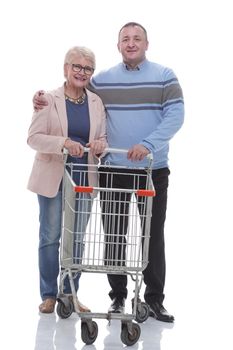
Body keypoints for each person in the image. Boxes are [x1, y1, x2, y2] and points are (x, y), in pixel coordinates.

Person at [33, 22, 184, 323]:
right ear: (118, 46)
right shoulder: (101, 81)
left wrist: (147, 144)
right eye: (125, 39)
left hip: (152, 168)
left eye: (136, 38)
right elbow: (71, 91)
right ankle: (117, 298)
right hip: (113, 168)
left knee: (152, 235)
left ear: (146, 43)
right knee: (114, 235)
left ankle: (154, 299)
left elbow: (176, 115)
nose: (131, 43)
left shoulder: (165, 76)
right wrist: (40, 100)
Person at [28, 46, 107, 314]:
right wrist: (63, 143)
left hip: (84, 178)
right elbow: (33, 138)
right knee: (50, 236)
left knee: (77, 239)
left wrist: (99, 145)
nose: (82, 72)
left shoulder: (96, 102)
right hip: (53, 175)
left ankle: (70, 294)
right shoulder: (48, 99)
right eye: (77, 66)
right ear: (65, 68)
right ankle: (49, 294)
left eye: (87, 69)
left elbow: (103, 140)